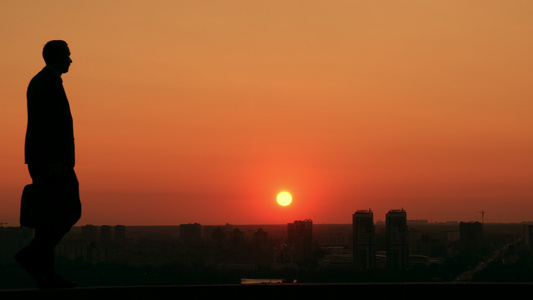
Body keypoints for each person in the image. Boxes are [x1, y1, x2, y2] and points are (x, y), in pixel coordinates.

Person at [15, 40, 81, 289]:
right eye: (68, 55)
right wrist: (54, 162)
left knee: (49, 217)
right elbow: (47, 126)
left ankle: (46, 273)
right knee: (68, 210)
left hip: (47, 160)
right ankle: (32, 256)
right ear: (57, 57)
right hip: (52, 162)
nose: (71, 60)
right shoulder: (47, 82)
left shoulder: (42, 81)